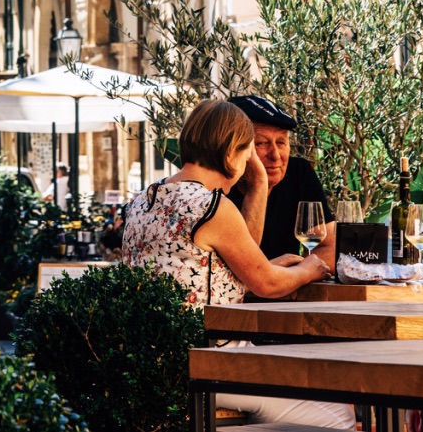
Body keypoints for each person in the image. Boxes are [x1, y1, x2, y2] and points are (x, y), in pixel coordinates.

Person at [123, 99, 353, 428]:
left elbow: (224, 263)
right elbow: (267, 284)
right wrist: (311, 268)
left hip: (153, 357)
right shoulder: (211, 206)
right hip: (210, 359)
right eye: (250, 151)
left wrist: (258, 187)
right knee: (337, 413)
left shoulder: (143, 200)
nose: (251, 164)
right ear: (232, 150)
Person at [224, 95, 336, 267]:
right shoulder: (219, 186)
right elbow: (240, 263)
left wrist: (285, 275)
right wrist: (258, 184)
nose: (275, 155)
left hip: (283, 287)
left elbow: (329, 247)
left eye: (281, 142)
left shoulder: (299, 173)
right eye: (261, 143)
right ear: (235, 148)